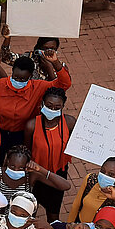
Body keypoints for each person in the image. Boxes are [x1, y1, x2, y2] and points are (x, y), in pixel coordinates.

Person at [0, 50, 71, 165]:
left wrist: (55, 62)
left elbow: (64, 84)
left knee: (17, 163)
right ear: (12, 73)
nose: (18, 81)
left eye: (22, 79)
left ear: (30, 77)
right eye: (15, 77)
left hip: (22, 135)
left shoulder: (38, 87)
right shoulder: (1, 84)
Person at [24, 87, 76, 222]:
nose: (52, 109)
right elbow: (27, 150)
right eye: (49, 106)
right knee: (31, 212)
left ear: (63, 106)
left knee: (53, 214)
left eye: (57, 107)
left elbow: (81, 145)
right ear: (42, 103)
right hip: (37, 174)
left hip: (58, 173)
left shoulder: (69, 122)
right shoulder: (32, 125)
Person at [0, 145, 70, 217]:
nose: (15, 170)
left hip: (21, 217)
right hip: (0, 216)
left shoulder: (30, 175)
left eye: (21, 168)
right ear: (8, 161)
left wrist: (41, 169)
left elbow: (66, 186)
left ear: (27, 165)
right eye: (12, 166)